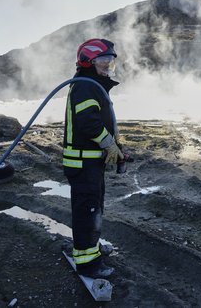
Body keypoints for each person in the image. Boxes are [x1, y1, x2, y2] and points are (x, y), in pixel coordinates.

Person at [63, 38, 125, 279]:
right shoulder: (85, 86)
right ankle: (88, 264)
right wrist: (109, 144)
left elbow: (102, 120)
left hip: (90, 162)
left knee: (94, 209)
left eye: (110, 60)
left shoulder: (92, 84)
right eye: (102, 60)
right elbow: (88, 122)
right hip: (81, 162)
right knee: (87, 211)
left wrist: (118, 145)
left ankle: (92, 249)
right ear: (88, 61)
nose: (108, 64)